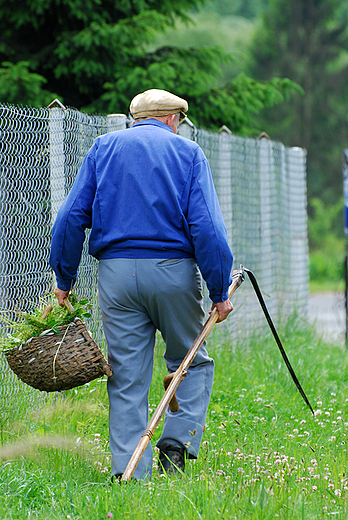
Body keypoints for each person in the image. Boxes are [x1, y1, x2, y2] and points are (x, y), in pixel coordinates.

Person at [50, 89, 234, 480]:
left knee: (126, 375)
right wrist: (219, 292)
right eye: (179, 122)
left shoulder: (103, 149)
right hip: (172, 272)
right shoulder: (188, 154)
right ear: (172, 119)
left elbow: (68, 218)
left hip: (116, 276)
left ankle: (129, 473)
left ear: (136, 119)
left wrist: (63, 279)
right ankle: (175, 445)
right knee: (190, 362)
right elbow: (208, 230)